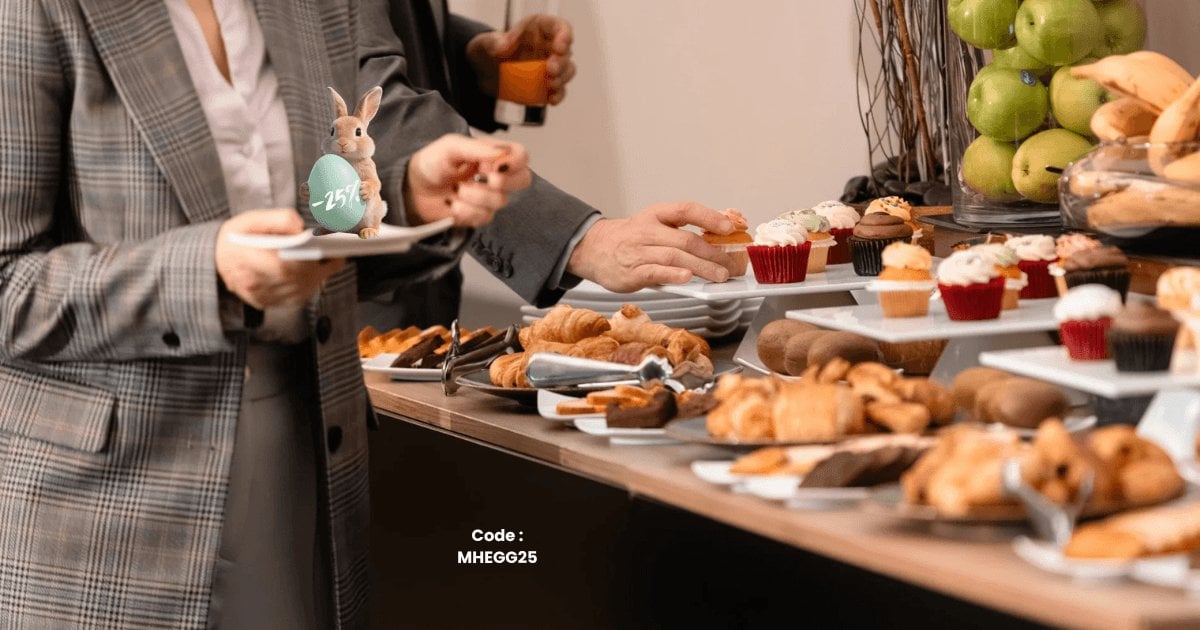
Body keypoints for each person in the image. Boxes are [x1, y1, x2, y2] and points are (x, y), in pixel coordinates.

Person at [0, 0, 529, 627]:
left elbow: (310, 220)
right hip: (106, 517)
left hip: (307, 472)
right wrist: (209, 272)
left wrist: (401, 198)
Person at [361, 1, 738, 329]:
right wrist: (584, 242)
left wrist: (468, 60)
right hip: (355, 306)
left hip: (420, 289)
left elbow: (374, 30)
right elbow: (371, 105)